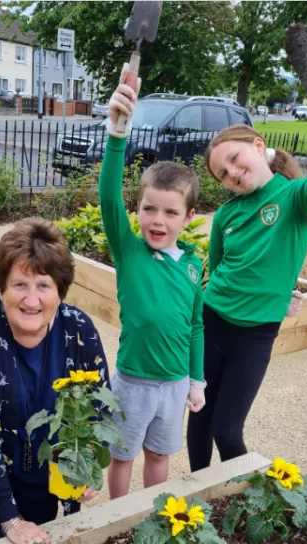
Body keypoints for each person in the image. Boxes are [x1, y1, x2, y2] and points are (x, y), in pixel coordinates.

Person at [186, 109, 307, 472]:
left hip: (254, 338)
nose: (233, 174)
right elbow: (220, 266)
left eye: (235, 159)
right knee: (199, 417)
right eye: (223, 174)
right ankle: (199, 497)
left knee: (227, 430)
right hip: (210, 323)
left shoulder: (296, 199)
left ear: (258, 146)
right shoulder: (226, 214)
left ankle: (238, 502)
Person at [0, 218, 109, 544]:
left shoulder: (78, 328)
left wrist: (89, 463)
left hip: (49, 481)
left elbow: (100, 408)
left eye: (44, 286)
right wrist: (9, 519)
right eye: (19, 284)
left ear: (60, 290)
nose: (31, 300)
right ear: (2, 286)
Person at [100, 69, 206, 500]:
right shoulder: (129, 250)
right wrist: (117, 131)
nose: (157, 220)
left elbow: (196, 326)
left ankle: (149, 515)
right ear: (138, 209)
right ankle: (118, 517)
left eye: (169, 212)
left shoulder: (194, 266)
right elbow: (108, 195)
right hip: (134, 380)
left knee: (159, 456)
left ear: (189, 218)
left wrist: (196, 380)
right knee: (122, 456)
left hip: (175, 382)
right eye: (148, 209)